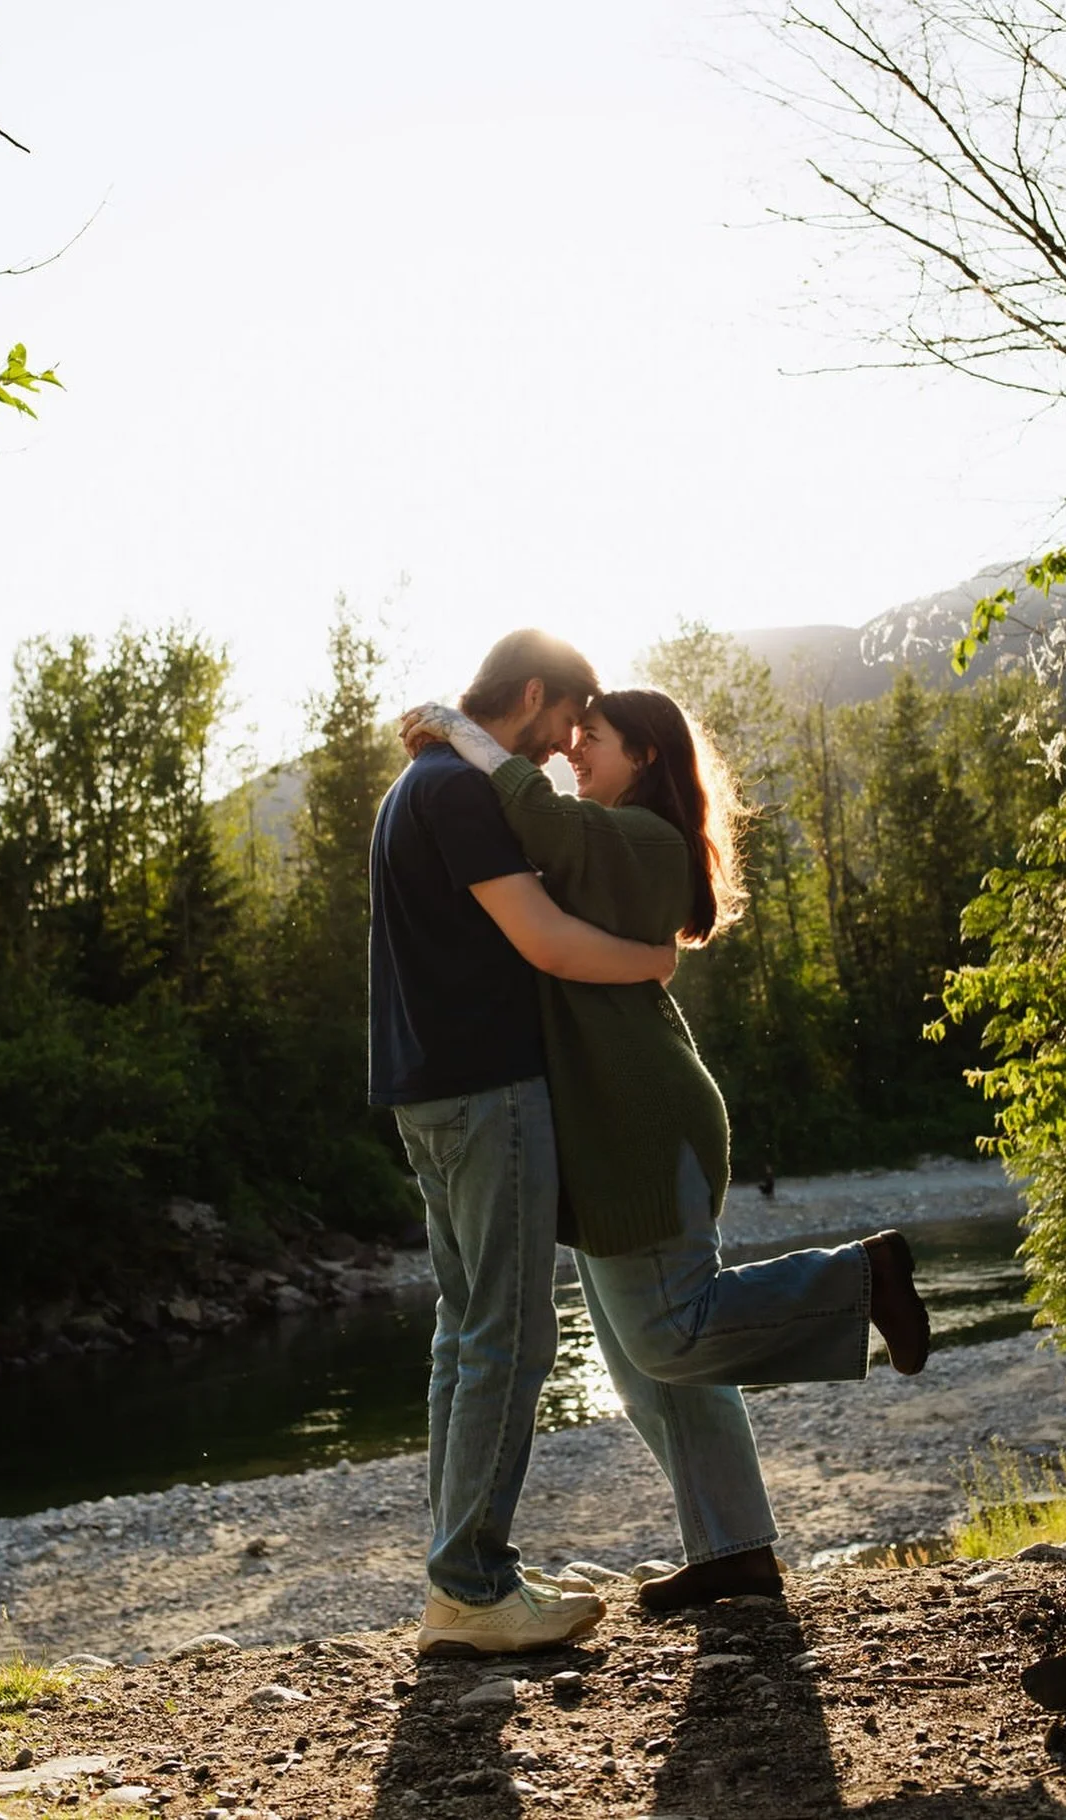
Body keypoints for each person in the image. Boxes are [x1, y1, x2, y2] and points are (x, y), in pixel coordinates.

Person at [401, 687, 931, 1613]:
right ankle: (732, 1549)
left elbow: (538, 818)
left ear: (645, 754)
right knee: (647, 1364)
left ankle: (861, 1277)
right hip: (606, 1135)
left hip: (641, 1123)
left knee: (672, 1334)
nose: (573, 755)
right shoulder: (612, 841)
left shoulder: (640, 841)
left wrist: (465, 736)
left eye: (591, 740)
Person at [368, 631, 681, 1657]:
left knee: (465, 1337)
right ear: (536, 693)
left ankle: (465, 1573)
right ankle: (470, 1585)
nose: (562, 747)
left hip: (429, 1094)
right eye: (565, 722)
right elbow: (542, 936)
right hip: (488, 1089)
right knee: (510, 1338)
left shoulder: (414, 786)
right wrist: (648, 962)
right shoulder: (458, 792)